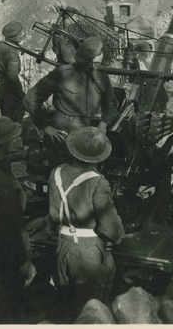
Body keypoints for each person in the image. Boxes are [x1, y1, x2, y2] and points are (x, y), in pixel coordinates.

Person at [47, 127, 124, 315]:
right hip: (87, 253)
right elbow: (110, 226)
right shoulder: (98, 182)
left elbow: (53, 212)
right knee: (90, 308)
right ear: (100, 157)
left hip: (62, 247)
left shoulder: (56, 173)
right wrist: (118, 237)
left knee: (65, 303)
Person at [24, 37, 118, 175]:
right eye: (90, 64)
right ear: (82, 60)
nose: (94, 67)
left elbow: (111, 104)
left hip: (89, 131)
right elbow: (31, 98)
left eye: (97, 64)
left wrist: (103, 124)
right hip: (63, 132)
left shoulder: (101, 76)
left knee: (86, 176)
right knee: (61, 174)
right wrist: (45, 126)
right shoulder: (62, 73)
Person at [0, 116, 37, 323]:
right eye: (13, 139)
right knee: (2, 297)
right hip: (3, 254)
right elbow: (12, 229)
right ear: (3, 144)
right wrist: (25, 262)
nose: (17, 141)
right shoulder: (0, 182)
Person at [0, 21, 27, 123]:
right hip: (10, 91)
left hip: (0, 87)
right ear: (14, 37)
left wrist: (0, 75)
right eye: (20, 34)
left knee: (5, 119)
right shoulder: (11, 53)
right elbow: (12, 77)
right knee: (14, 122)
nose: (22, 35)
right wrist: (20, 94)